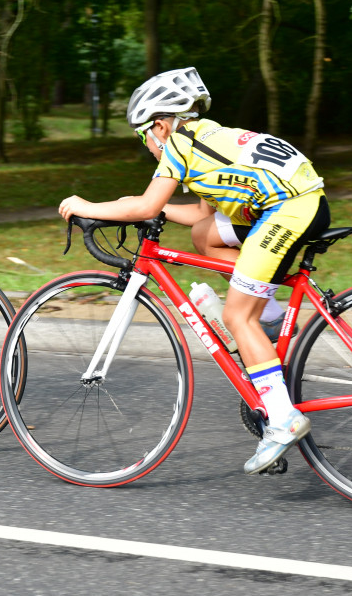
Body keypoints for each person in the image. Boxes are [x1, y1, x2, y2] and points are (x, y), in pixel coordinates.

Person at [58, 67, 331, 474]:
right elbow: (199, 214)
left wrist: (89, 206)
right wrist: (132, 202)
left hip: (288, 211)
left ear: (161, 125)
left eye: (142, 134)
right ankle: (269, 320)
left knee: (238, 315)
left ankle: (282, 418)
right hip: (297, 201)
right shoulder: (206, 137)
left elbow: (147, 207)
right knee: (205, 236)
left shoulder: (178, 144)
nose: (145, 144)